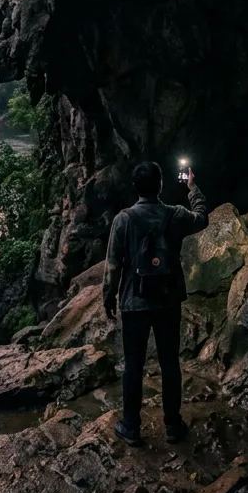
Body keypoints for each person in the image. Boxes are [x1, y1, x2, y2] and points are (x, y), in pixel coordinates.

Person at [102, 160, 209, 447]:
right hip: (168, 300)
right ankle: (173, 425)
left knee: (133, 366)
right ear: (160, 185)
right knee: (169, 363)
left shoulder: (123, 220)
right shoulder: (174, 215)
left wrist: (108, 298)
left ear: (135, 188)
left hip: (134, 303)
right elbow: (201, 217)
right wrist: (192, 187)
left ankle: (131, 426)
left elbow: (112, 266)